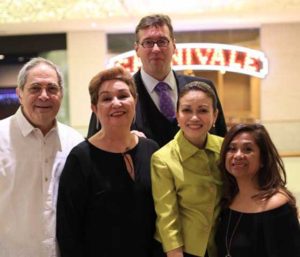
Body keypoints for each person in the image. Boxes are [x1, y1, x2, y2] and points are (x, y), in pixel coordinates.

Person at [56, 66, 161, 257]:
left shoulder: (151, 150)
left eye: (123, 96)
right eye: (106, 98)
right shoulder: (80, 158)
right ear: (95, 108)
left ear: (134, 101)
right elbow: (68, 231)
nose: (116, 103)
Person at [87, 14, 227, 146]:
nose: (156, 49)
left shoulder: (202, 89)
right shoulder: (116, 95)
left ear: (174, 46)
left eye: (162, 41)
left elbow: (223, 143)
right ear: (137, 49)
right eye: (148, 42)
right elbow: (95, 147)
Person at [0, 57, 84, 257]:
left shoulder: (75, 143)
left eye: (52, 89)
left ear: (61, 94)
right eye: (35, 88)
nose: (44, 96)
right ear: (20, 93)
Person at [151, 81, 224, 257]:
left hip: (221, 244)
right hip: (184, 250)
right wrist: (175, 253)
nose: (194, 117)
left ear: (215, 115)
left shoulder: (226, 149)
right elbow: (167, 215)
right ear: (177, 115)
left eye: (203, 110)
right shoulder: (163, 159)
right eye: (187, 110)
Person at [215, 123, 300, 257]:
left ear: (263, 160)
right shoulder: (226, 200)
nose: (238, 155)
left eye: (247, 149)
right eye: (231, 149)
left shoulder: (278, 206)